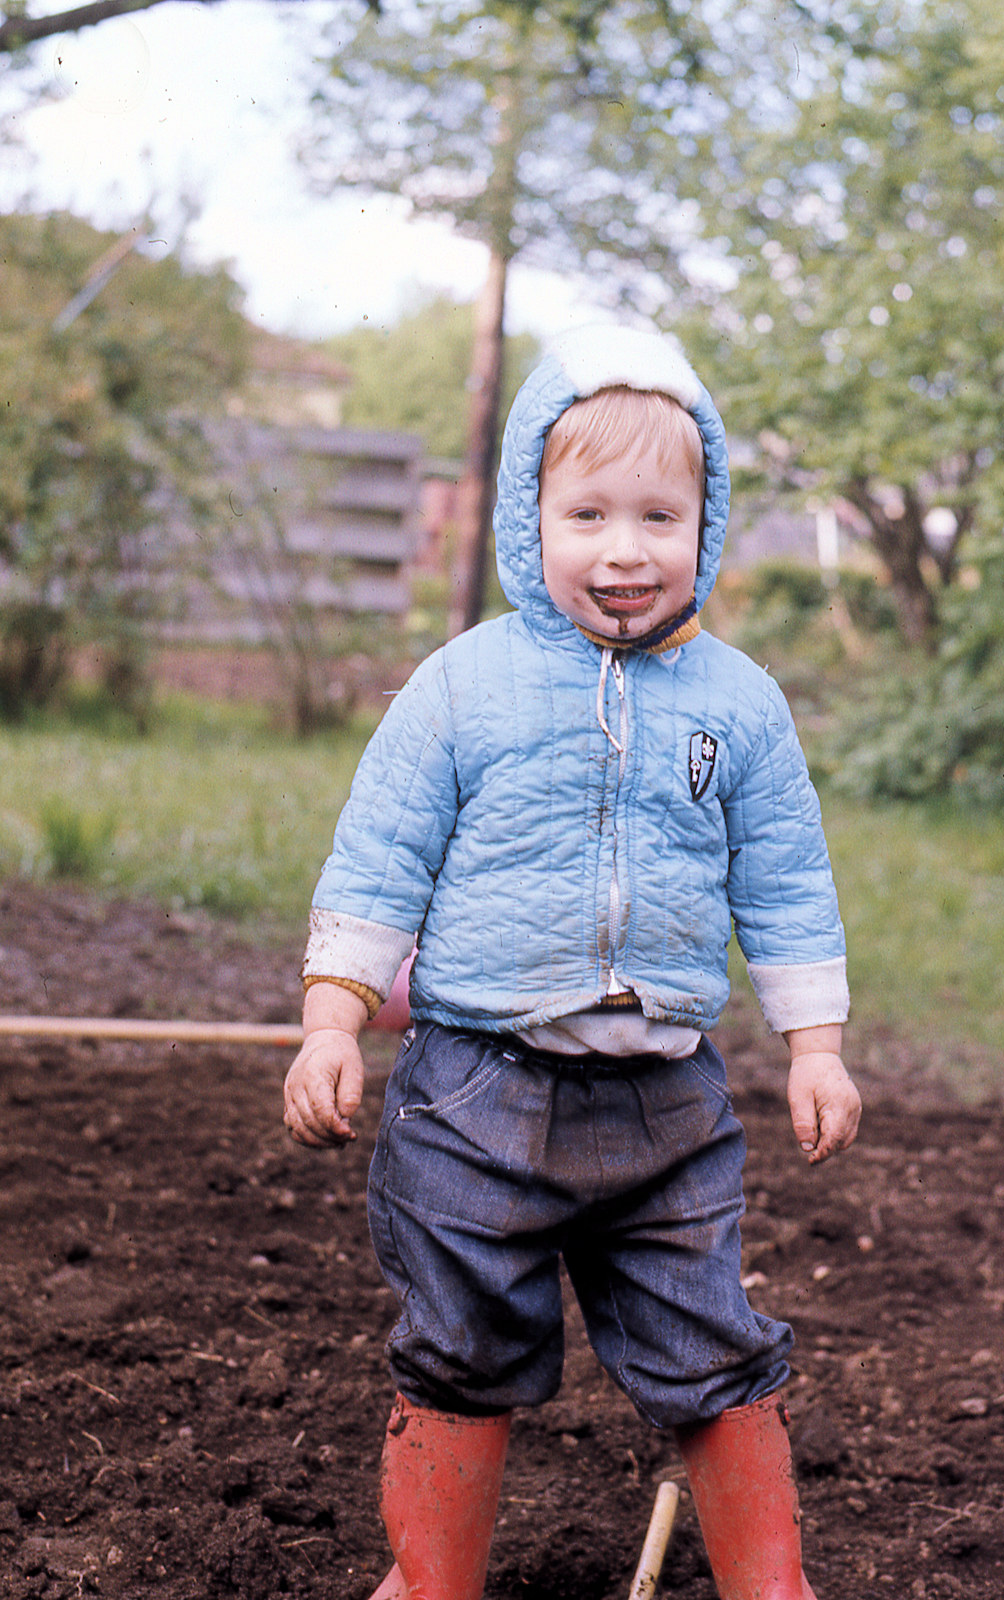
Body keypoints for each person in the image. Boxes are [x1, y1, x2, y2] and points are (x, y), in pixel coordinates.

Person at [283, 323, 862, 1600]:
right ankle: (431, 1577)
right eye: (586, 511)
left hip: (667, 1101)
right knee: (459, 1342)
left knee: (716, 1346)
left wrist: (814, 1045)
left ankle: (775, 1584)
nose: (622, 550)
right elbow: (379, 858)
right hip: (475, 1092)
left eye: (661, 515)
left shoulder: (740, 704)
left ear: (706, 527)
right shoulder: (460, 688)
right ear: (525, 516)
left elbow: (786, 883)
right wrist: (333, 1018)